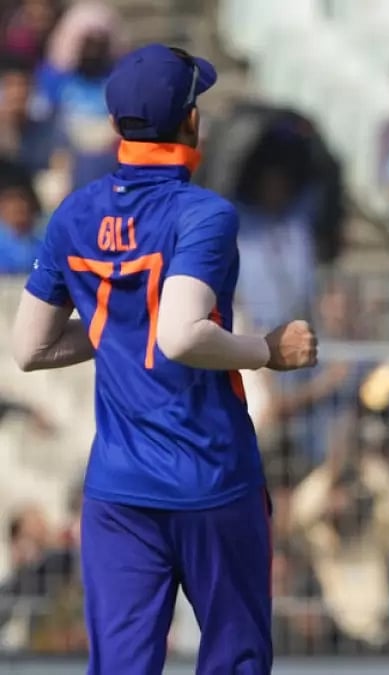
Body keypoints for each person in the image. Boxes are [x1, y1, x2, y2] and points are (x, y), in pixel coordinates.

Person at [9, 44, 317, 674]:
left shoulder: (74, 213)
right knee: (236, 658)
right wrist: (267, 351)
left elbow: (30, 348)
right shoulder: (204, 214)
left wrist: (116, 330)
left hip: (117, 491)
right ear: (191, 121)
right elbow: (180, 335)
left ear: (120, 125)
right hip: (212, 479)